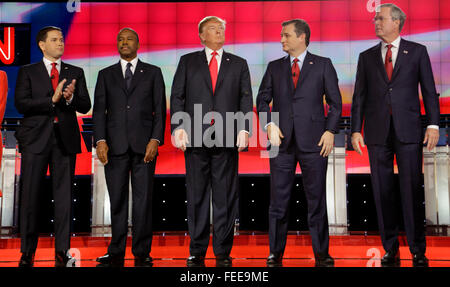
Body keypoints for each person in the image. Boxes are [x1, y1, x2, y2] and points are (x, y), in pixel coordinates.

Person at [351, 3, 440, 267]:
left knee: (411, 190)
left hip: (409, 131)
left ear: (397, 22)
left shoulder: (418, 52)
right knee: (382, 192)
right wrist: (356, 129)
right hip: (377, 133)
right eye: (375, 19)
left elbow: (429, 89)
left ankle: (417, 249)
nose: (376, 22)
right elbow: (359, 97)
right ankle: (390, 248)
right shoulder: (366, 56)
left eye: (381, 18)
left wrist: (433, 124)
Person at [257, 19, 342, 267]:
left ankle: (321, 254)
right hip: (280, 143)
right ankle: (275, 253)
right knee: (278, 201)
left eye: (286, 35)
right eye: (281, 36)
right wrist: (269, 124)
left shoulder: (323, 65)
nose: (281, 39)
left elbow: (335, 104)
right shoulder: (274, 67)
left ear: (302, 37)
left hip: (315, 141)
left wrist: (330, 131)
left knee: (316, 200)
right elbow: (262, 100)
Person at [170, 16, 253, 267]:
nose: (219, 33)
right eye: (214, 29)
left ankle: (222, 251)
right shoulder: (188, 61)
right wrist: (178, 128)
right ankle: (196, 250)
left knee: (225, 197)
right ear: (202, 36)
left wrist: (245, 129)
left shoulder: (238, 63)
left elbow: (245, 99)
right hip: (195, 138)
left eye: (222, 29)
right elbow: (177, 97)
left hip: (227, 137)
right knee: (197, 196)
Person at [14, 26, 91, 267]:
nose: (60, 43)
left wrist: (69, 98)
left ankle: (62, 251)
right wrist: (52, 100)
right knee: (30, 198)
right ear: (41, 44)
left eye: (62, 39)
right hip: (35, 141)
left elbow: (85, 103)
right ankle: (27, 252)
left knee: (64, 199)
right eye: (55, 40)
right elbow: (21, 103)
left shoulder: (75, 71)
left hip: (64, 141)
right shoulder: (28, 71)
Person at [93, 28, 166, 267]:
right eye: (120, 39)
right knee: (117, 200)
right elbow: (99, 112)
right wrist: (100, 140)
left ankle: (142, 252)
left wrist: (155, 140)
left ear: (138, 43)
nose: (124, 42)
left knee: (144, 201)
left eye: (129, 39)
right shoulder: (105, 74)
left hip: (145, 147)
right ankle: (115, 251)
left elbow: (159, 111)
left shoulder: (153, 73)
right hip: (114, 146)